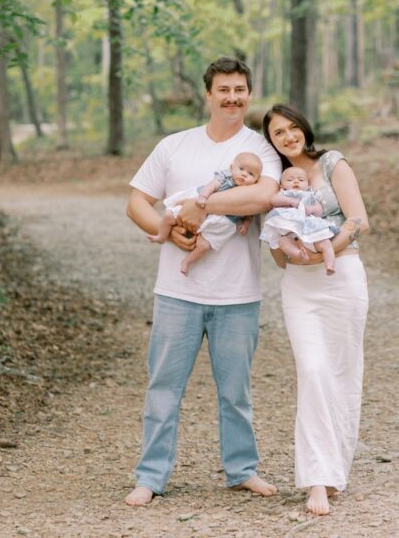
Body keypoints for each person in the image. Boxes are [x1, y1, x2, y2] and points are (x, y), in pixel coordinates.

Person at [123, 57, 282, 507]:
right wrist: (165, 226)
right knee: (163, 388)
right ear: (208, 94)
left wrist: (200, 208)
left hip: (238, 293)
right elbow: (137, 199)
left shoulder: (262, 147)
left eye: (240, 89)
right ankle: (150, 477)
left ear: (249, 93)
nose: (232, 97)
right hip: (177, 291)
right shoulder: (175, 145)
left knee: (236, 391)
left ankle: (242, 470)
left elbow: (262, 196)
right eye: (224, 90)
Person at [262, 103, 369, 517]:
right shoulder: (273, 182)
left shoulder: (332, 163)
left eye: (292, 128)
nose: (288, 137)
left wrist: (329, 247)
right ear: (270, 142)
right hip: (299, 287)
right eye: (278, 133)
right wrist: (283, 243)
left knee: (343, 372)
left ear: (303, 129)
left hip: (341, 276)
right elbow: (276, 254)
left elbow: (360, 220)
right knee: (311, 369)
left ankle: (333, 471)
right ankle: (316, 482)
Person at [147, 151, 263, 275]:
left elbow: (250, 212)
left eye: (251, 174)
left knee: (204, 246)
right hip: (200, 202)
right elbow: (211, 186)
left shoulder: (250, 192)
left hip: (224, 221)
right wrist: (203, 197)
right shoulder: (226, 177)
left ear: (256, 180)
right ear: (231, 167)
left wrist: (245, 224)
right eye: (241, 169)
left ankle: (187, 262)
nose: (244, 174)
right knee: (170, 215)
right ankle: (161, 236)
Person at [259, 165, 338, 273]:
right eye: (290, 179)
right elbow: (273, 200)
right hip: (288, 230)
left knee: (326, 242)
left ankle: (330, 264)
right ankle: (299, 254)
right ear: (282, 185)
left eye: (301, 180)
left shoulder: (309, 195)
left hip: (308, 229)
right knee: (282, 241)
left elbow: (319, 210)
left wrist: (312, 209)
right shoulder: (283, 194)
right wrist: (289, 201)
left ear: (308, 185)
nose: (296, 181)